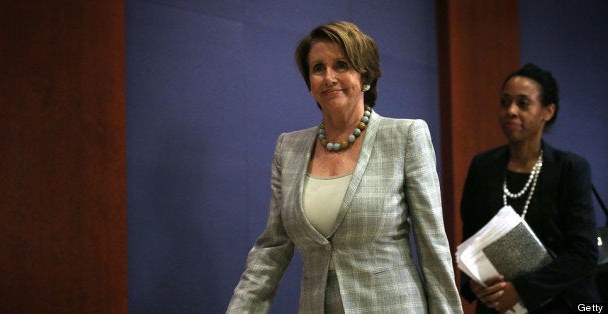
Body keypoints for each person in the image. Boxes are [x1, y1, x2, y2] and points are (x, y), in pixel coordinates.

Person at [226, 21, 462, 313]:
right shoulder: (288, 148)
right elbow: (271, 250)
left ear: (365, 76)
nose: (329, 77)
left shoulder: (405, 136)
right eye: (318, 68)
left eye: (341, 65)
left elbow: (432, 247)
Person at [459, 63, 599, 313]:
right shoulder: (484, 166)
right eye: (505, 102)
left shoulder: (570, 169)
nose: (511, 111)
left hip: (562, 304)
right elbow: (471, 238)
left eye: (523, 104)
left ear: (548, 111)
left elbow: (583, 254)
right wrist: (475, 283)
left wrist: (521, 290)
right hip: (497, 306)